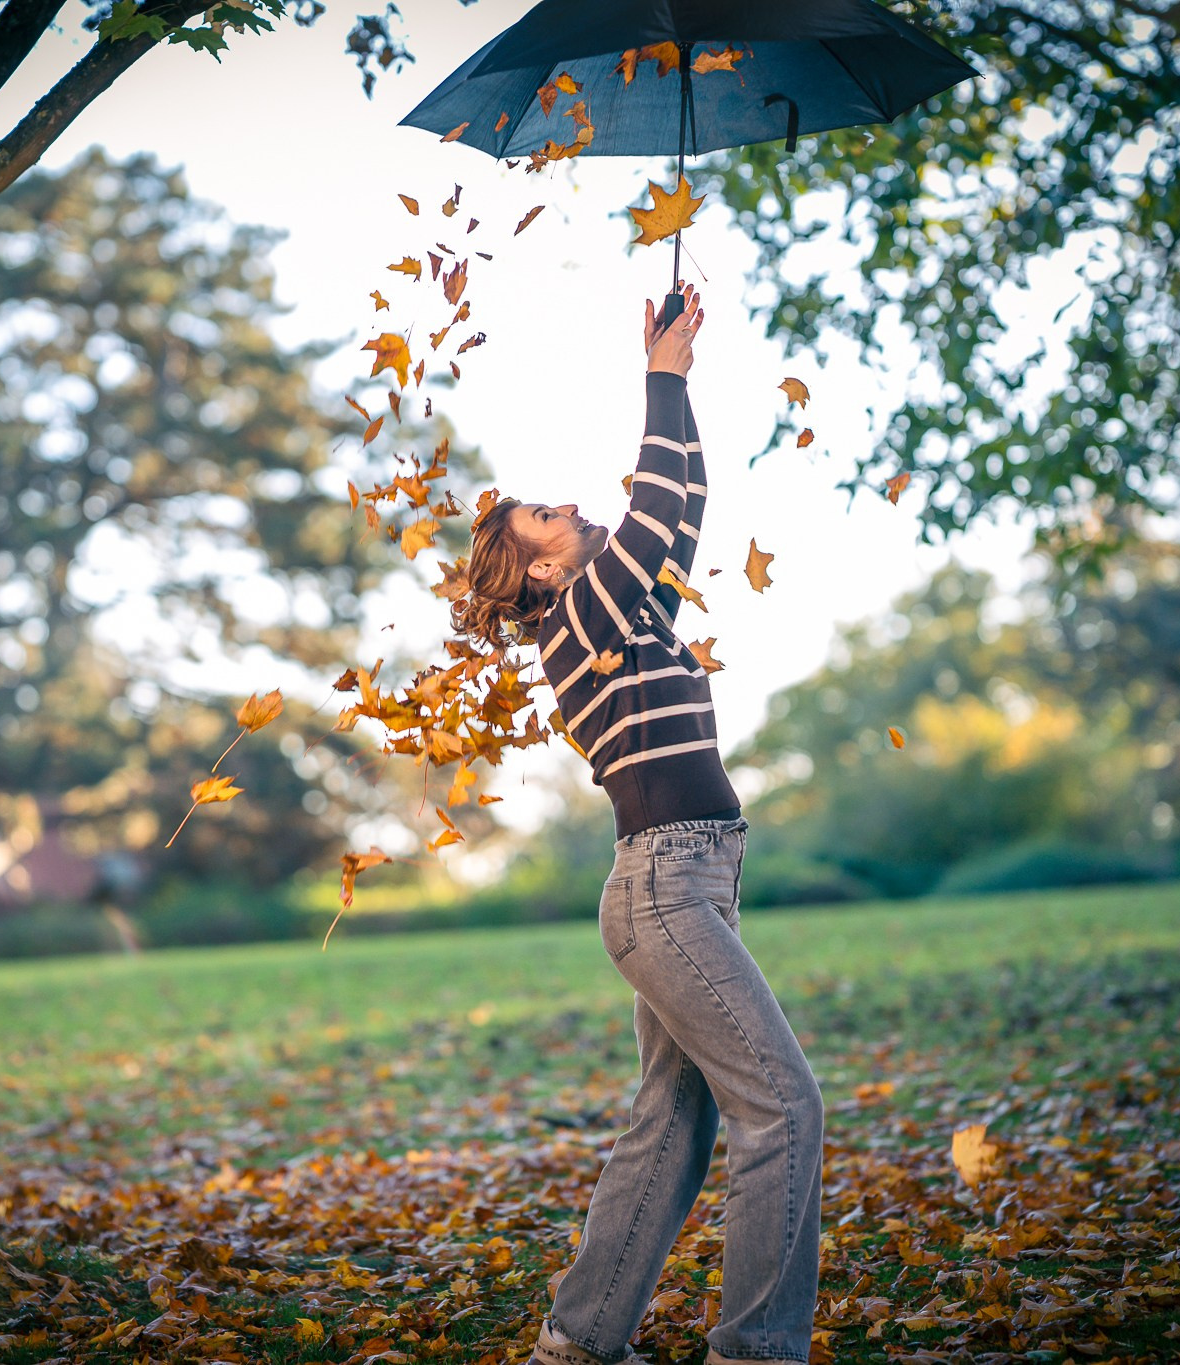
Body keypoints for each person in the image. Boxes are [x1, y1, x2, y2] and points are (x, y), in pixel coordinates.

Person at [450, 286, 825, 1365]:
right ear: (539, 570)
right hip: (665, 889)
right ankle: (755, 1353)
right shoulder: (582, 615)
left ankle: (575, 1345)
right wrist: (658, 376)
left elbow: (679, 504)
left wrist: (678, 376)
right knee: (782, 1109)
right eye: (542, 518)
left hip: (679, 885)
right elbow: (656, 505)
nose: (567, 507)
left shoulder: (619, 612)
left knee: (673, 1123)